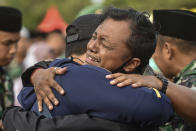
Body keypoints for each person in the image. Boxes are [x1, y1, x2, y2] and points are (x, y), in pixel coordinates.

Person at [3, 8, 172, 131]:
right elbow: (159, 108)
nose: (91, 46)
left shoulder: (60, 70)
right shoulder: (74, 75)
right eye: (94, 37)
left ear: (131, 64)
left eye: (104, 43)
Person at [104, 9, 196, 131]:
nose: (152, 57)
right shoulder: (182, 79)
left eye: (153, 51)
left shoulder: (190, 79)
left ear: (167, 50)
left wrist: (160, 83)